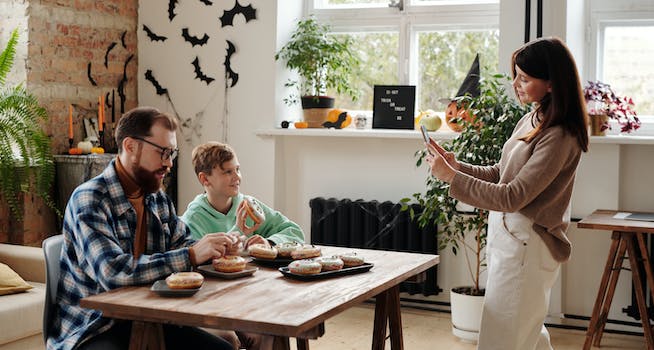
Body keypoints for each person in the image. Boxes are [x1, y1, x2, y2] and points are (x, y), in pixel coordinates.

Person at [425, 37, 589, 350]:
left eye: (524, 78)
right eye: (515, 75)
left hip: (528, 245)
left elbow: (513, 196)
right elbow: (502, 175)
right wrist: (458, 167)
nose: (514, 84)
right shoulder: (532, 119)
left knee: (504, 337)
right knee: (525, 333)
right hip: (511, 240)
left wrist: (452, 179)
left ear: (552, 83)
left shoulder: (559, 135)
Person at [48, 107, 236, 350]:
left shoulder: (156, 197)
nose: (169, 163)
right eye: (163, 153)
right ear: (130, 147)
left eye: (172, 153)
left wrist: (218, 248)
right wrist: (190, 255)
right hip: (95, 327)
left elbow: (184, 243)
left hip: (155, 317)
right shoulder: (90, 200)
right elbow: (113, 272)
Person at [181, 141, 305, 350]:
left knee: (267, 332)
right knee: (231, 339)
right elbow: (205, 261)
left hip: (250, 296)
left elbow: (295, 232)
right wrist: (239, 230)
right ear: (205, 179)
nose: (236, 177)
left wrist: (270, 243)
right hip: (212, 302)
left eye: (237, 169)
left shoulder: (247, 204)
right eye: (227, 172)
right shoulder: (193, 218)